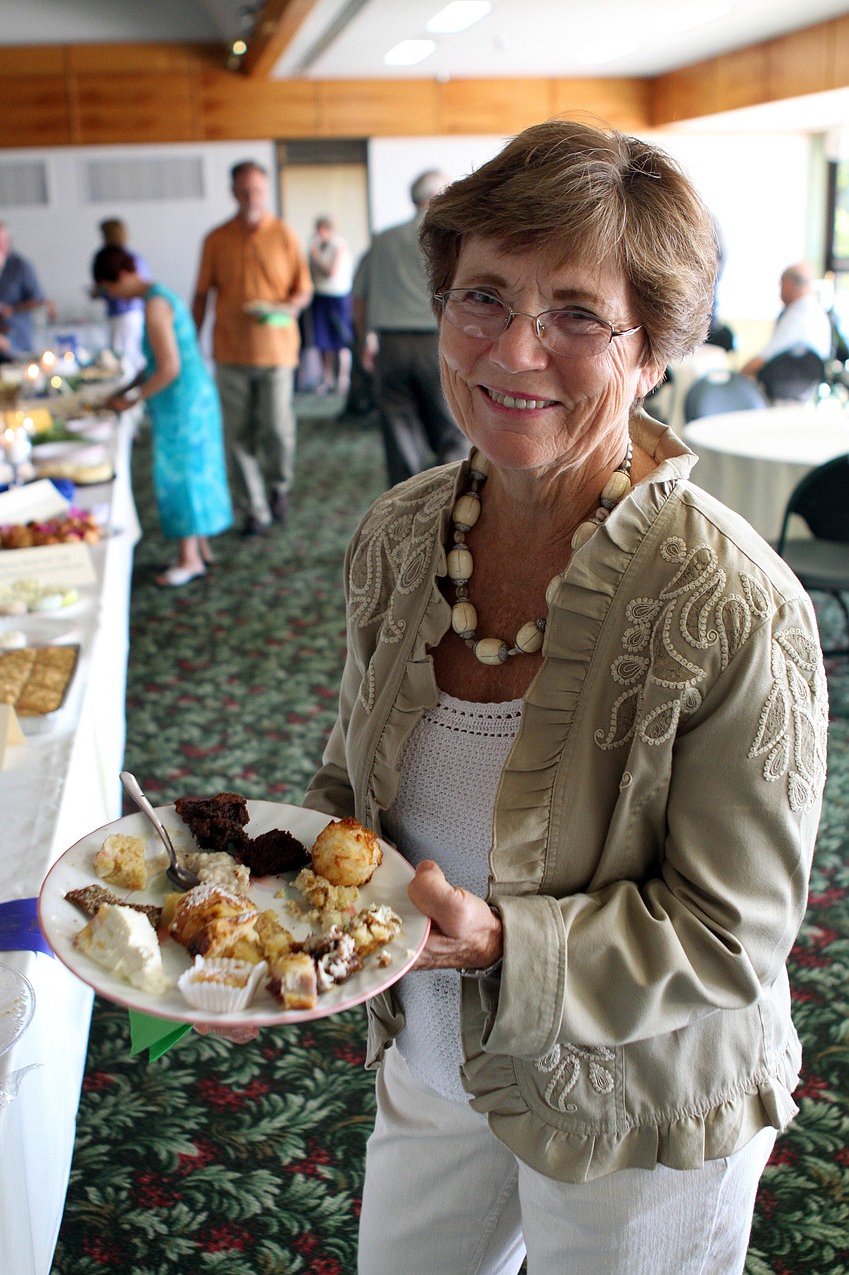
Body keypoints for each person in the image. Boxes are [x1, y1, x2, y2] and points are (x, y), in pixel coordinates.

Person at [297, 120, 827, 1273]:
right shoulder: (400, 532)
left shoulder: (732, 602)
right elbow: (351, 784)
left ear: (654, 350)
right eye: (482, 295)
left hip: (633, 1104)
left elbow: (730, 936)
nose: (514, 349)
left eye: (577, 314)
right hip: (435, 1062)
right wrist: (274, 908)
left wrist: (498, 944)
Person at [96, 246, 233, 587]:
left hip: (182, 400)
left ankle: (189, 559)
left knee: (182, 474)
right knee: (197, 469)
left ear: (121, 276)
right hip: (191, 396)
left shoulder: (156, 305)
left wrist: (133, 401)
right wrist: (127, 389)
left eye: (109, 288)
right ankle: (199, 547)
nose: (112, 296)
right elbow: (154, 363)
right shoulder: (158, 296)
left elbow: (169, 367)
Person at [191, 160, 312, 537]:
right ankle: (253, 509)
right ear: (232, 192)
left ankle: (279, 485)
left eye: (257, 189)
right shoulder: (216, 238)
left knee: (277, 428)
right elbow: (201, 295)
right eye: (243, 190)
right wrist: (191, 343)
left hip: (277, 351)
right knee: (237, 435)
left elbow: (303, 288)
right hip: (230, 353)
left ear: (266, 190)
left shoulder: (285, 235)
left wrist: (291, 306)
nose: (251, 197)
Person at [353, 169, 466, 486]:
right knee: (450, 423)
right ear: (436, 197)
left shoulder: (382, 240)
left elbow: (358, 298)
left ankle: (406, 499)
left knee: (398, 425)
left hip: (391, 345)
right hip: (437, 342)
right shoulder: (450, 238)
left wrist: (364, 342)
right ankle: (450, 493)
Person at [741, 261, 832, 378]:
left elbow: (764, 357)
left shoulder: (797, 316)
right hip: (807, 388)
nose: (780, 291)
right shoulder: (817, 312)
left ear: (787, 284)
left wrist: (737, 378)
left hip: (784, 387)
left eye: (781, 284)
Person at [91, 218, 150, 375]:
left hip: (127, 315)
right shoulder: (125, 257)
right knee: (124, 358)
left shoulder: (122, 259)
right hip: (122, 315)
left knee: (127, 359)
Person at [308, 215, 354, 396]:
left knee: (341, 339)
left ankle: (343, 380)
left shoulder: (338, 245)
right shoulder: (316, 246)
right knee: (323, 340)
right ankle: (327, 379)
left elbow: (331, 271)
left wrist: (316, 257)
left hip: (338, 296)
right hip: (320, 295)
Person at [0, 222, 56, 357]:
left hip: (16, 336)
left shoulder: (21, 265)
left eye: (2, 241)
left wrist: (12, 309)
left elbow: (38, 299)